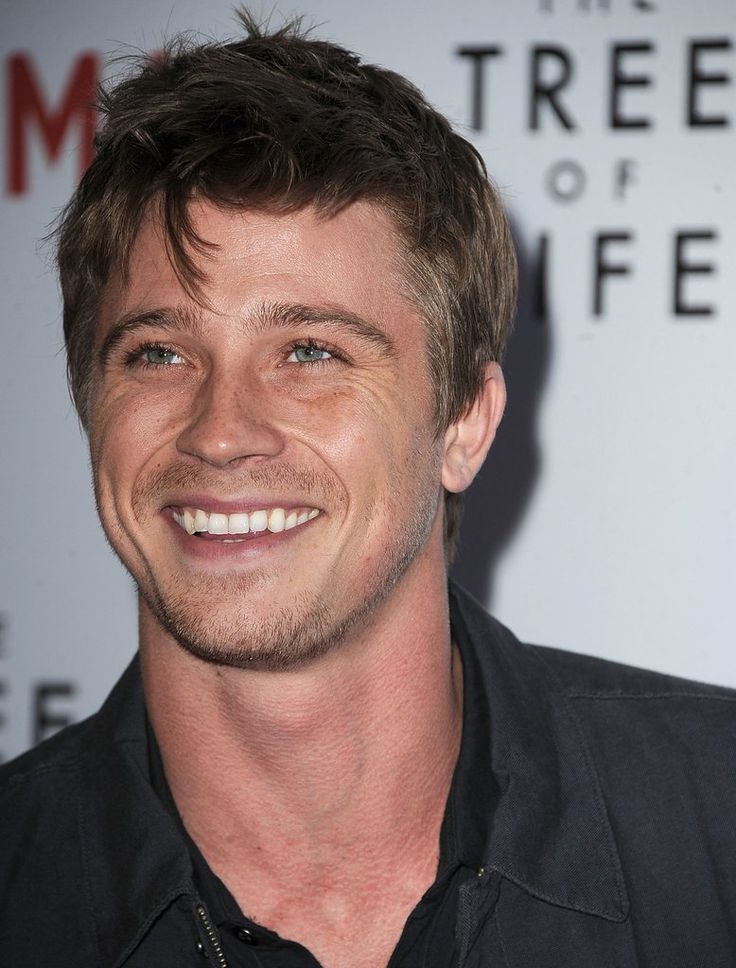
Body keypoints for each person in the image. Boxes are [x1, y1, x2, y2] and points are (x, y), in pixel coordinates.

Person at [1, 12, 735, 967]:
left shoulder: (715, 824)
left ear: (464, 422)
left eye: (311, 351)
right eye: (160, 351)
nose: (221, 431)